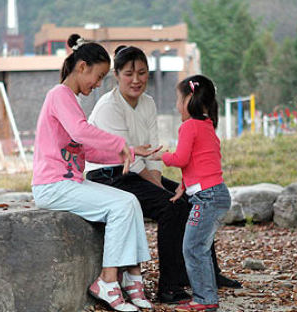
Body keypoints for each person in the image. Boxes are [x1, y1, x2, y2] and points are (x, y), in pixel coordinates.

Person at [85, 46, 241, 304]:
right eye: (129, 74)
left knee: (194, 199)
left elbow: (152, 146)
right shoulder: (108, 106)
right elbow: (128, 157)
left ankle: (209, 274)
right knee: (170, 207)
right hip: (109, 174)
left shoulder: (148, 103)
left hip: (140, 172)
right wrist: (157, 185)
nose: (136, 80)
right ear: (116, 75)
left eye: (142, 73)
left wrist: (157, 179)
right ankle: (169, 287)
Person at [31, 34, 155, 312]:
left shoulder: (70, 100)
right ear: (82, 66)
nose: (98, 84)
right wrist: (120, 143)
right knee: (121, 205)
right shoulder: (59, 95)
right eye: (97, 77)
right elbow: (80, 132)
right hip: (52, 186)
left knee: (130, 201)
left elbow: (84, 150)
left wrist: (129, 151)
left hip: (69, 182)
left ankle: (132, 276)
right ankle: (107, 281)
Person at [151, 75, 230, 312]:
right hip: (215, 195)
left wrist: (159, 157)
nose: (176, 105)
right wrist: (183, 187)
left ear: (190, 99)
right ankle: (206, 297)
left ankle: (205, 300)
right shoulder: (207, 126)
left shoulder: (188, 127)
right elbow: (201, 163)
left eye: (178, 99)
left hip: (207, 198)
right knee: (198, 247)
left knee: (193, 248)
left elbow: (182, 159)